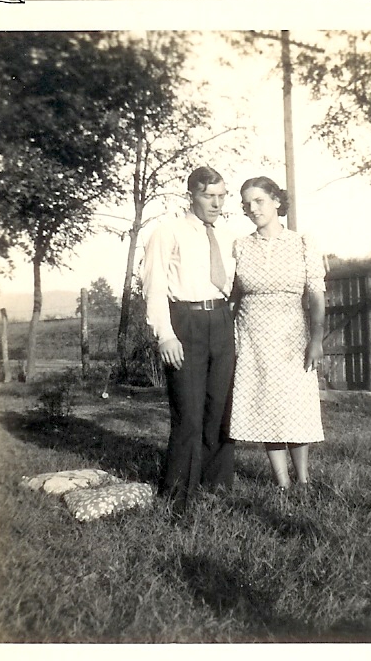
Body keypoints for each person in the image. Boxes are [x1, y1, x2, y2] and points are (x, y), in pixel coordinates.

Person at [142, 166, 236, 513]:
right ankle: (178, 496)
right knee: (189, 413)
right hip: (186, 321)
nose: (216, 203)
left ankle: (217, 488)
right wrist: (165, 335)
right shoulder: (168, 231)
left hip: (222, 321)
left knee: (220, 409)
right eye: (208, 196)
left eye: (221, 196)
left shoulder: (227, 236)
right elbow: (152, 287)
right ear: (190, 196)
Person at [229, 176, 326, 490]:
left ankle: (304, 479)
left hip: (291, 336)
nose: (252, 209)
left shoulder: (301, 243)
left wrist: (316, 338)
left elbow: (315, 293)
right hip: (252, 336)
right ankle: (282, 483)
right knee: (266, 404)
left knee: (295, 404)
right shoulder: (240, 246)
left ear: (277, 202)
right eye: (247, 204)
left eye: (258, 201)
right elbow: (231, 295)